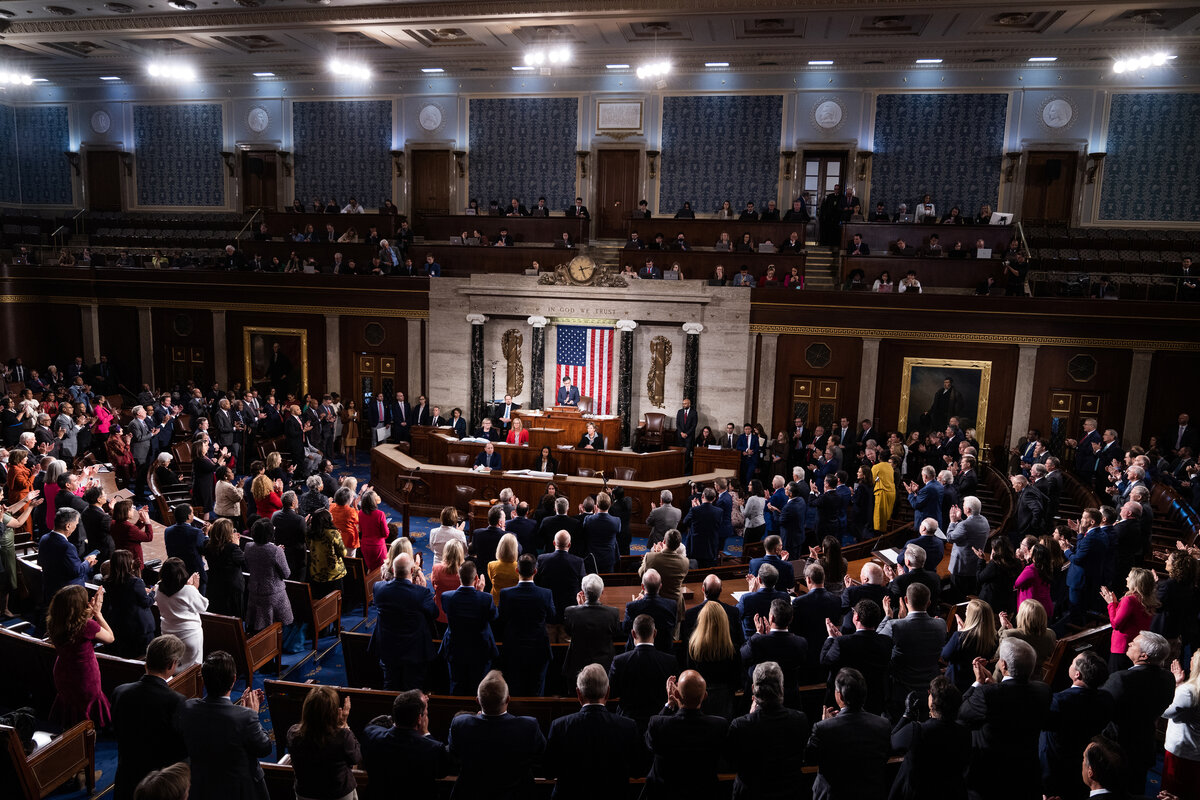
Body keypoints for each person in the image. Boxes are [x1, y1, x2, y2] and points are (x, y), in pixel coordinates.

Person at [958, 638, 1052, 800]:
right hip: (1025, 778)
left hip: (989, 781)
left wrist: (978, 683)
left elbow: (961, 713)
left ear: (1004, 665)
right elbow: (1013, 701)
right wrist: (994, 687)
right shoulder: (1043, 691)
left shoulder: (987, 694)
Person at [176, 650, 272, 800]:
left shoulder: (187, 707)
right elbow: (264, 747)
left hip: (199, 788)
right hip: (239, 791)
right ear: (234, 679)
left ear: (204, 679)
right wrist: (252, 714)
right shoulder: (245, 717)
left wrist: (244, 712)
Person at [111, 635, 188, 800]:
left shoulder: (120, 691)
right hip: (157, 784)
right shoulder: (175, 701)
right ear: (171, 665)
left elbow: (116, 730)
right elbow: (180, 748)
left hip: (126, 776)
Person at [447, 670, 545, 798]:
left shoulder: (460, 724)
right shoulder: (528, 726)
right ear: (508, 699)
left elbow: (452, 756)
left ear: (478, 700)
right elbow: (542, 758)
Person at [1101, 630, 1176, 794]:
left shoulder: (1121, 679)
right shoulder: (1169, 678)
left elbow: (1098, 707)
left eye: (1133, 643)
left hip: (1115, 749)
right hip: (1144, 746)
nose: (1129, 643)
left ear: (1144, 656)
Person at [805, 667, 894, 799]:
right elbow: (885, 756)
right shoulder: (883, 725)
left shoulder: (823, 728)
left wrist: (825, 724)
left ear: (839, 695)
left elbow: (809, 758)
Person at [1038, 650, 1114, 800]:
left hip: (1055, 766)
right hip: (1083, 762)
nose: (1070, 665)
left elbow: (1041, 723)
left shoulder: (1059, 702)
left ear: (1077, 674)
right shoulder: (1106, 698)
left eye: (1073, 663)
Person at [642, 670, 730, 798]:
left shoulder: (658, 723)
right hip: (704, 792)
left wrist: (669, 704)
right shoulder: (719, 726)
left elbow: (649, 743)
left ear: (676, 694)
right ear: (705, 695)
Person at [889, 675, 971, 800]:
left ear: (932, 701)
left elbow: (892, 742)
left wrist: (907, 715)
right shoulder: (964, 732)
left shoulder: (917, 730)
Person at [361, 691, 452, 797]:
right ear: (419, 719)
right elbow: (442, 772)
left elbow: (376, 724)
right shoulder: (433, 749)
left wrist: (407, 710)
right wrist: (425, 732)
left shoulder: (371, 735)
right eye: (426, 712)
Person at [47, 583, 113, 727]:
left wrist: (88, 614)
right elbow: (110, 638)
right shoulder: (87, 626)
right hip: (84, 675)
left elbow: (75, 623)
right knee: (86, 706)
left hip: (63, 671)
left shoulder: (55, 621)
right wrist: (97, 613)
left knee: (71, 702)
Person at [879, 582, 946, 720]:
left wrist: (888, 616)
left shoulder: (894, 625)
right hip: (931, 690)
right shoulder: (940, 624)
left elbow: (877, 641)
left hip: (901, 691)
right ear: (928, 603)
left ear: (906, 600)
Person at [370, 552, 437, 691]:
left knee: (389, 685)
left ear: (393, 570)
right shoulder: (421, 593)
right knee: (413, 688)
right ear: (412, 571)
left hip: (388, 648)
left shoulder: (378, 588)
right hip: (414, 650)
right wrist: (424, 589)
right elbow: (434, 613)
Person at [286, 685, 361, 800]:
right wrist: (345, 726)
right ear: (334, 712)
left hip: (306, 793)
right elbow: (356, 758)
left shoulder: (293, 733)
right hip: (338, 793)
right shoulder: (344, 736)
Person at [439, 559, 498, 695]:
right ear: (476, 578)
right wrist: (481, 592)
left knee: (456, 685)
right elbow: (494, 616)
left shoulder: (447, 597)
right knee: (479, 688)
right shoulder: (485, 599)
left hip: (455, 648)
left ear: (458, 577)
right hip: (480, 650)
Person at [499, 554, 556, 696]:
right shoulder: (545, 594)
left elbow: (502, 618)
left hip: (513, 649)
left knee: (514, 690)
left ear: (517, 570)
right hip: (538, 650)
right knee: (536, 691)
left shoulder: (506, 594)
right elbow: (552, 617)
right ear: (535, 571)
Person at [741, 598, 809, 710]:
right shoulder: (801, 643)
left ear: (771, 618)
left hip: (762, 699)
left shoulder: (758, 641)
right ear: (791, 619)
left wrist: (758, 634)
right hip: (790, 699)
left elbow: (743, 656)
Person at [1102, 566, 1159, 671]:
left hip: (1122, 648)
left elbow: (1116, 625)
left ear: (1135, 581)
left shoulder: (1129, 600)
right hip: (1137, 648)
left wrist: (1111, 604)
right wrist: (1116, 604)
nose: (1126, 579)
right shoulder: (1148, 599)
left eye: (1129, 577)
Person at [155, 557, 207, 669]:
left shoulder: (158, 588)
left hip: (167, 634)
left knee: (172, 668)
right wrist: (194, 588)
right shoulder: (188, 590)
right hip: (190, 635)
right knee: (194, 669)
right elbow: (203, 607)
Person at [102, 549, 156, 658]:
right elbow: (146, 602)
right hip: (139, 627)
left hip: (120, 624)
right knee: (144, 655)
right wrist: (153, 592)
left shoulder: (107, 581)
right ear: (126, 563)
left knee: (127, 655)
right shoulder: (136, 582)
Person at [38, 507, 95, 606]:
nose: (76, 527)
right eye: (76, 524)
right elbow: (76, 572)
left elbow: (41, 562)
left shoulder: (44, 538)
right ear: (68, 526)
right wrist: (88, 562)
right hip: (67, 593)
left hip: (49, 587)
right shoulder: (67, 547)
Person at [244, 517, 292, 634]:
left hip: (255, 592)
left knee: (257, 626)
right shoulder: (276, 551)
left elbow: (250, 564)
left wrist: (276, 551)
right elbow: (286, 574)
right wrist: (279, 553)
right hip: (273, 594)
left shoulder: (248, 546)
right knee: (276, 627)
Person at [1163, 650, 1200, 798]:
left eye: (1193, 657)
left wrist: (1175, 686)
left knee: (1170, 793)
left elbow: (1165, 711)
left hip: (1181, 751)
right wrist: (1179, 684)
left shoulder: (1189, 691)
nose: (1190, 658)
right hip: (1196, 752)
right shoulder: (1189, 690)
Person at [941, 598, 998, 691]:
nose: (965, 612)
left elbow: (944, 656)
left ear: (971, 616)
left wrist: (959, 633)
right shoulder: (994, 638)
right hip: (976, 682)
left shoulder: (959, 637)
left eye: (967, 610)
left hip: (955, 684)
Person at [623, 568, 677, 652]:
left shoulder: (632, 606)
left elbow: (625, 629)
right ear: (660, 586)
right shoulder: (671, 605)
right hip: (664, 650)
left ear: (642, 587)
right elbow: (673, 626)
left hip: (636, 651)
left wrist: (635, 604)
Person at [946, 495, 988, 598]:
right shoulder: (984, 520)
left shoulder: (964, 525)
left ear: (968, 509)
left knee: (958, 595)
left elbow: (950, 537)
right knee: (970, 593)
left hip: (961, 567)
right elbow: (968, 532)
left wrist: (953, 521)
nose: (962, 506)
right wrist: (960, 520)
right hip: (975, 565)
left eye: (963, 505)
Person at [203, 518, 245, 617]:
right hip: (232, 590)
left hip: (214, 585)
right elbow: (244, 562)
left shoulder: (207, 545)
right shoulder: (232, 548)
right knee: (234, 616)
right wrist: (237, 545)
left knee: (218, 614)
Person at [358, 490, 388, 573]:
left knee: (371, 569)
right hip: (378, 547)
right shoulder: (380, 514)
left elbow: (361, 529)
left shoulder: (360, 513)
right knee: (381, 571)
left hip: (365, 546)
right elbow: (385, 533)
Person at [487, 532, 520, 604]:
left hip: (495, 602)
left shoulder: (491, 565)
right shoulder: (519, 567)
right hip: (513, 602)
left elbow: (492, 581)